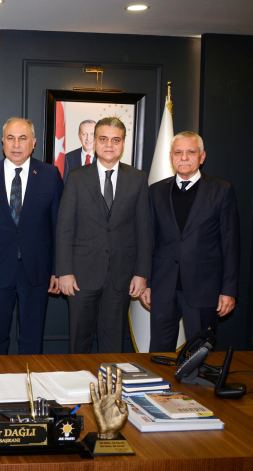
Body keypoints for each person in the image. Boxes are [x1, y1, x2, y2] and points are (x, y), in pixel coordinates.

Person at [56, 117, 152, 353]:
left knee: (113, 346)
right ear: (94, 142)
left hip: (121, 277)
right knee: (79, 344)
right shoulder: (76, 177)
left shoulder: (138, 178)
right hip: (81, 276)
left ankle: (109, 380)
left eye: (116, 140)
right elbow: (64, 229)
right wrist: (64, 272)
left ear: (123, 144)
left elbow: (144, 230)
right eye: (104, 139)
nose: (109, 145)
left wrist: (142, 274)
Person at [141, 132, 239, 352]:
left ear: (202, 157)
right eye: (178, 152)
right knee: (158, 355)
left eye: (191, 152)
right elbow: (150, 241)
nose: (183, 157)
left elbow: (230, 244)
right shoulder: (155, 191)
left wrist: (229, 290)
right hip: (163, 288)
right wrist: (147, 282)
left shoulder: (222, 191)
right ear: (171, 157)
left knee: (199, 355)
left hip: (204, 290)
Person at [0, 118, 63, 355]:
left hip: (37, 270)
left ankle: (28, 378)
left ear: (33, 142)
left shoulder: (50, 175)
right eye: (10, 138)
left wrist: (57, 269)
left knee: (32, 339)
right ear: (2, 141)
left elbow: (59, 227)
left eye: (23, 138)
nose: (16, 144)